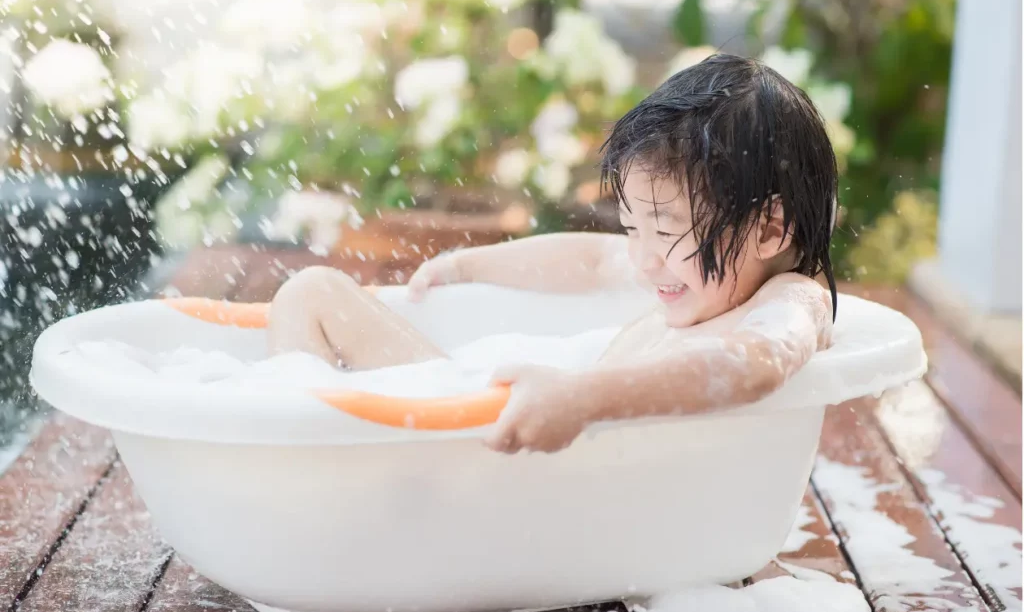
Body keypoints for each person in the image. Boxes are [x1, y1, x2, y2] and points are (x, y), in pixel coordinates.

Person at [267, 53, 839, 454]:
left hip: (550, 458)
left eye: (665, 230)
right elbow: (590, 261)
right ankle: (285, 444)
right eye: (632, 226)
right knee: (312, 292)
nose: (641, 259)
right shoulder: (688, 277)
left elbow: (756, 365)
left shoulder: (789, 301)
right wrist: (469, 265)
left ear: (769, 229)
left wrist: (584, 399)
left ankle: (312, 469)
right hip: (499, 416)